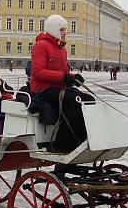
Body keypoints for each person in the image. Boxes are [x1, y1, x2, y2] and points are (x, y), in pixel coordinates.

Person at [30, 14, 94, 153]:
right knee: (75, 101)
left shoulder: (62, 49)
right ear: (54, 29)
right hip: (43, 91)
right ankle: (61, 144)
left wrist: (74, 77)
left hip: (58, 88)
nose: (65, 32)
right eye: (62, 29)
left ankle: (80, 138)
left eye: (65, 29)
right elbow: (38, 72)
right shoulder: (41, 46)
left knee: (89, 99)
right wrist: (63, 77)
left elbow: (64, 72)